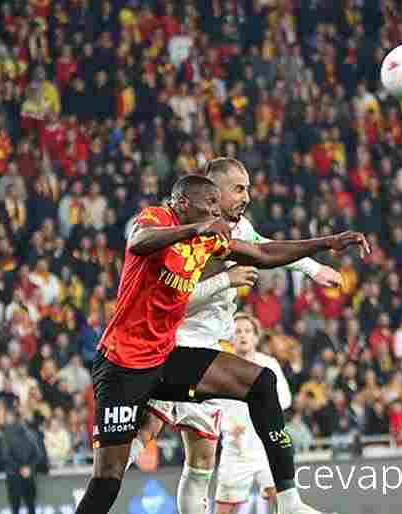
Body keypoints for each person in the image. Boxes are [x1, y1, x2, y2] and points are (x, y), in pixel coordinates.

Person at [74, 173, 369, 514]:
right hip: (122, 365)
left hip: (166, 357)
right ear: (185, 204)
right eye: (210, 203)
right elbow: (138, 241)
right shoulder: (157, 218)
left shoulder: (210, 239)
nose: (217, 210)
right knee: (107, 478)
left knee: (261, 382)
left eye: (218, 203)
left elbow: (262, 253)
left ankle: (289, 503)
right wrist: (194, 231)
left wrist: (326, 243)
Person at [215, 313, 292, 514]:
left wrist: (264, 409)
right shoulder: (222, 367)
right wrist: (228, 426)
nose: (243, 335)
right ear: (230, 338)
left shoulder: (269, 365)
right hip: (236, 449)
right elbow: (213, 407)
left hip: (267, 445)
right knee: (224, 508)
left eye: (248, 331)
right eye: (237, 331)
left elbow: (285, 398)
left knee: (282, 498)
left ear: (256, 337)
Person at [0, 406, 46, 514]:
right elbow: (39, 455)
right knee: (28, 506)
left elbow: (6, 456)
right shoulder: (31, 433)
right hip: (22, 474)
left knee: (20, 507)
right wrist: (27, 468)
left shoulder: (9, 434)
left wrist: (25, 468)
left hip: (17, 475)